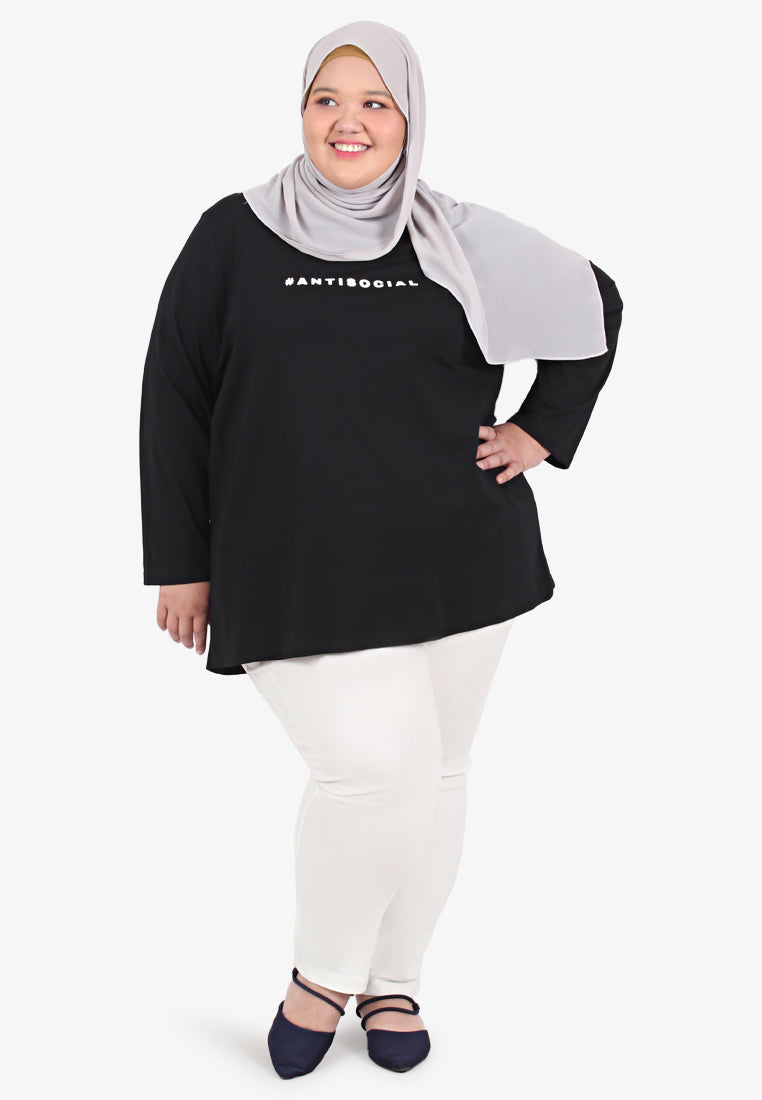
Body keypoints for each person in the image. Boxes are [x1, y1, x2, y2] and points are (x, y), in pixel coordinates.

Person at [138, 20, 623, 1079]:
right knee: (373, 768)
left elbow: (596, 303)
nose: (348, 122)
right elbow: (174, 394)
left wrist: (541, 430)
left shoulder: (454, 236)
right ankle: (321, 978)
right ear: (300, 112)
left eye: (375, 103)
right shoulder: (233, 234)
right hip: (292, 559)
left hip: (460, 556)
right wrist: (181, 558)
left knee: (438, 772)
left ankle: (394, 977)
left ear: (409, 118)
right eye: (327, 100)